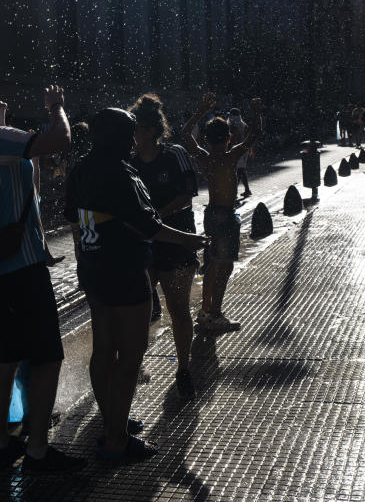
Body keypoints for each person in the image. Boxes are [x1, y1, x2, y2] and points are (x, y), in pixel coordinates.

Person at [0, 83, 85, 474]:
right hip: (21, 272)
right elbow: (61, 138)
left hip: (3, 273)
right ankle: (37, 451)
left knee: (8, 358)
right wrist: (57, 105)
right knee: (47, 359)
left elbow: (31, 198)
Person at [65, 108, 207, 462]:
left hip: (94, 269)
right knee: (130, 355)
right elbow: (148, 226)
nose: (133, 140)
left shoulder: (81, 168)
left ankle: (114, 420)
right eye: (129, 134)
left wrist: (84, 257)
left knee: (103, 351)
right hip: (125, 271)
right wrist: (187, 240)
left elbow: (74, 219)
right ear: (119, 138)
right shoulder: (121, 173)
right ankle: (116, 440)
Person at [130, 94, 200, 399]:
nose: (131, 135)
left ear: (149, 130)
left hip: (176, 243)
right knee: (138, 315)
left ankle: (183, 368)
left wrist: (158, 216)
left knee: (178, 309)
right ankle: (135, 366)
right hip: (143, 248)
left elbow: (189, 192)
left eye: (135, 129)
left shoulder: (175, 154)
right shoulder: (129, 162)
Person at [181, 93, 262, 333]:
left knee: (212, 265)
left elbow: (186, 135)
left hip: (211, 214)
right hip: (225, 216)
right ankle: (214, 314)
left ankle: (206, 311)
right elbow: (254, 134)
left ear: (206, 139)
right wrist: (256, 112)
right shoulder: (231, 156)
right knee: (223, 266)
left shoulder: (207, 158)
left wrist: (200, 111)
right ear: (228, 138)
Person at [228, 108, 252, 197]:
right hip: (244, 150)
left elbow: (234, 140)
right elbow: (249, 138)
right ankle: (246, 190)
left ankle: (234, 191)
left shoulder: (233, 125)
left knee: (238, 170)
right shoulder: (244, 125)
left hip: (238, 150)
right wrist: (251, 150)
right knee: (241, 170)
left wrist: (232, 149)